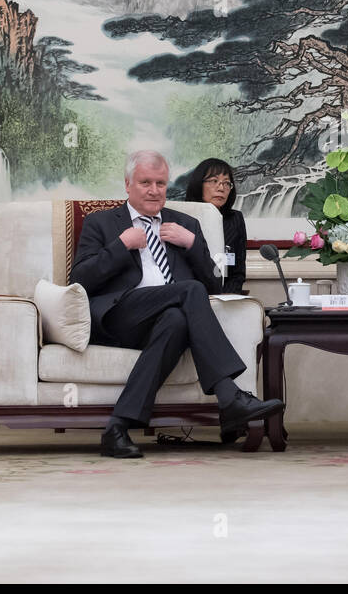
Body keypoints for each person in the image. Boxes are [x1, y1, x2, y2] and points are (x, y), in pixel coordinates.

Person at [71, 149, 283, 458]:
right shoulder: (102, 223)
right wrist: (122, 246)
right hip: (121, 316)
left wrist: (193, 244)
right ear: (128, 184)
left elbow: (215, 285)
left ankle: (117, 428)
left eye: (160, 183)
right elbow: (80, 280)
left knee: (177, 320)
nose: (155, 191)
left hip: (166, 317)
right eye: (146, 182)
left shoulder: (186, 224)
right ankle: (229, 395)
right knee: (188, 292)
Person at [184, 158, 246, 295]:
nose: (221, 188)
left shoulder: (235, 219)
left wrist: (224, 298)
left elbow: (238, 273)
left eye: (226, 183)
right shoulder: (182, 217)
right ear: (199, 184)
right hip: (190, 296)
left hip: (225, 297)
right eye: (214, 181)